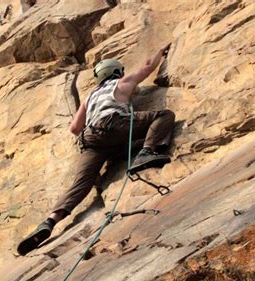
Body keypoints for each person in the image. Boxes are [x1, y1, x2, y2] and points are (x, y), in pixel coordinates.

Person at [17, 44, 175, 256]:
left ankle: (49, 221)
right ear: (117, 72)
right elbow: (147, 68)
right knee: (164, 115)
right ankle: (148, 151)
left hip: (91, 140)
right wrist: (160, 53)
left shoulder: (89, 97)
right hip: (113, 124)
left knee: (81, 184)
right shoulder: (122, 82)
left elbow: (74, 128)